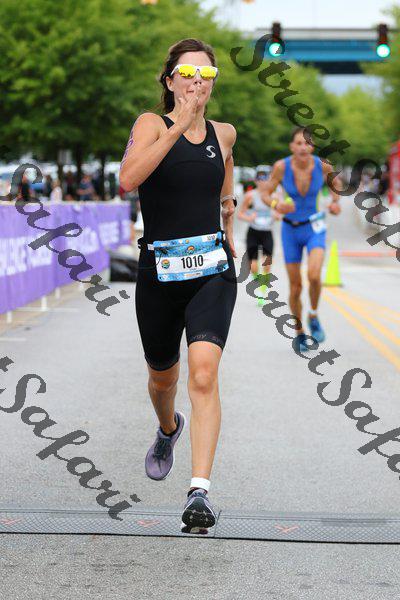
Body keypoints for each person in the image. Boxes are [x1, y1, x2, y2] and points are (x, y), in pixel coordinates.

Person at [119, 38, 237, 535]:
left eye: (206, 75)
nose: (197, 82)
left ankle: (199, 491)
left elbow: (225, 180)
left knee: (204, 374)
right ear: (170, 81)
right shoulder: (151, 124)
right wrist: (178, 126)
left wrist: (230, 223)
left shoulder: (225, 133)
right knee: (163, 379)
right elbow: (128, 179)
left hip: (212, 270)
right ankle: (168, 428)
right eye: (188, 73)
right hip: (160, 273)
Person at [259, 126, 341, 351]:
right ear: (291, 147)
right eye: (299, 143)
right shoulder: (281, 167)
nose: (303, 147)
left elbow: (336, 184)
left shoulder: (322, 165)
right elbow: (265, 194)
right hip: (290, 231)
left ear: (312, 146)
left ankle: (313, 314)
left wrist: (335, 202)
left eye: (307, 143)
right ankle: (299, 333)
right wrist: (276, 204)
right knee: (295, 287)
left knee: (314, 275)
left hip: (314, 228)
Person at [237, 165, 277, 290]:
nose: (262, 181)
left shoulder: (273, 196)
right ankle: (257, 281)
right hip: (253, 232)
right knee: (253, 266)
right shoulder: (250, 195)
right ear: (255, 180)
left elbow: (280, 212)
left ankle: (264, 285)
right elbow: (240, 214)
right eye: (259, 178)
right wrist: (249, 218)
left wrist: (277, 215)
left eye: (265, 178)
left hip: (267, 232)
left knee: (267, 263)